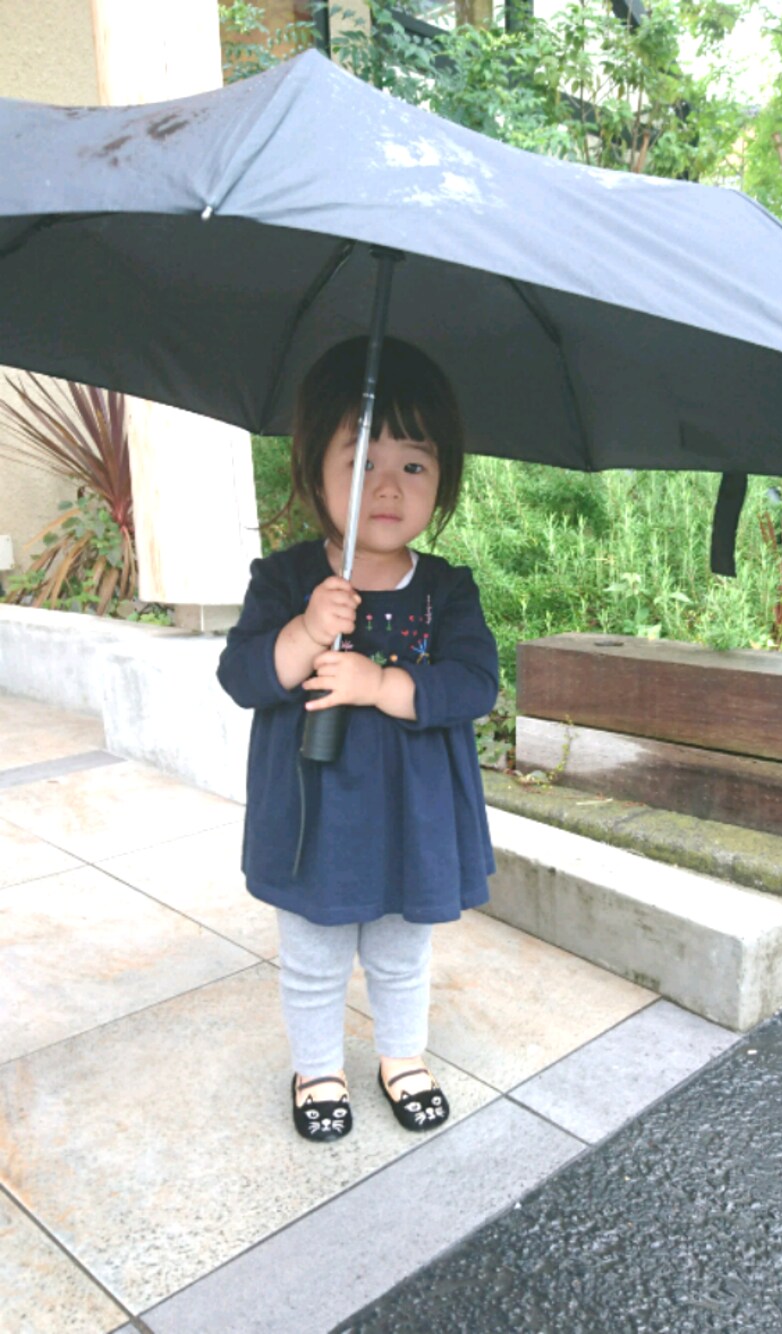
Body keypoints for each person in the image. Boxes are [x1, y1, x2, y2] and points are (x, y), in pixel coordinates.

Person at [217, 337, 498, 1143]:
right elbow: (242, 676)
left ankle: (401, 1056)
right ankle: (317, 1068)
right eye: (361, 460)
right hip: (314, 815)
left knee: (402, 955)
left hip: (414, 817)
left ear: (443, 480)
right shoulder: (285, 581)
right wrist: (306, 631)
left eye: (414, 464)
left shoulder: (445, 591)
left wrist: (381, 685)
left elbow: (475, 685)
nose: (388, 485)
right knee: (314, 956)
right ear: (315, 474)